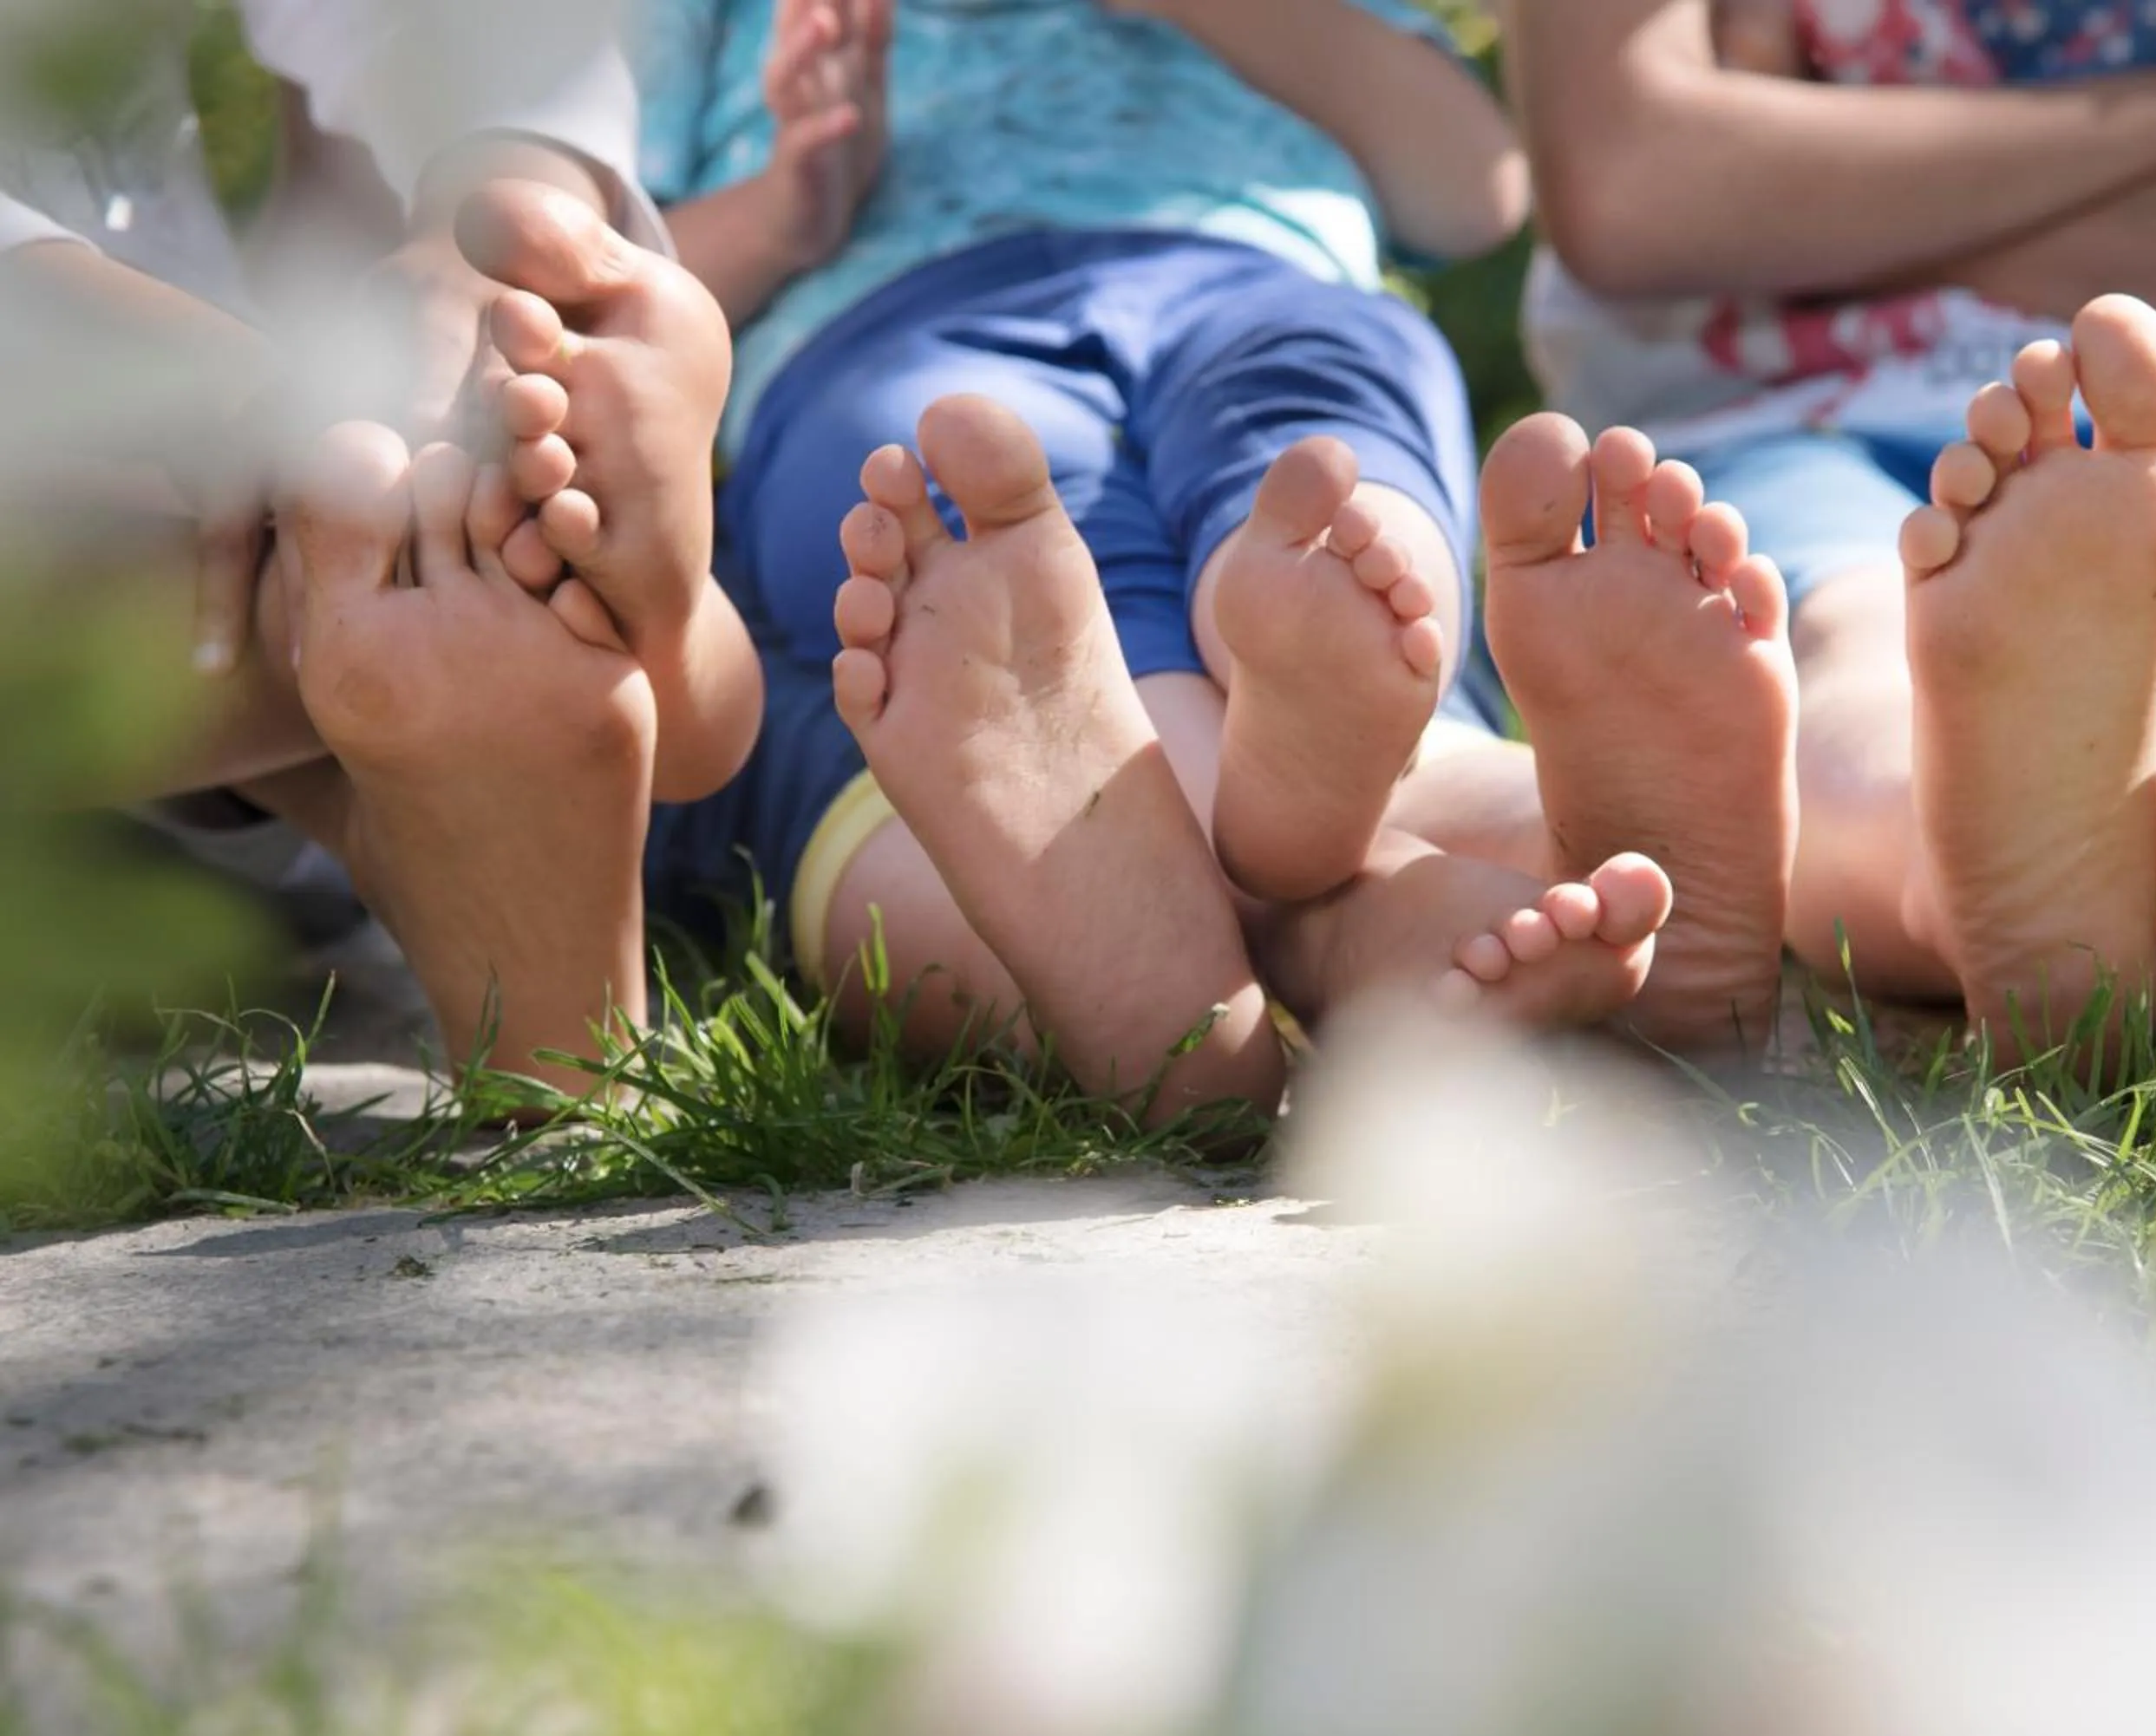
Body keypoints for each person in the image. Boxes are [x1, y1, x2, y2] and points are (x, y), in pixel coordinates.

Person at [630, 0, 1797, 1119]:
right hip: (887, 323)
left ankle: (1287, 712)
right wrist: (786, 209)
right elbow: (626, 290)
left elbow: (1474, 185)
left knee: (1321, 462)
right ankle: (1476, 883)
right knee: (994, 540)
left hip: (1255, 282)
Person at [1500, 0, 2156, 1054]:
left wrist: (1824, 206)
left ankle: (2009, 875)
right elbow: (1640, 186)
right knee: (1856, 640)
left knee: (1840, 654)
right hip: (1819, 414)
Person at [1, 3, 762, 1097]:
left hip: (191, 563)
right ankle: (566, 611)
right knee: (382, 552)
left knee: (368, 551)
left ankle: (458, 611)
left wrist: (479, 227)